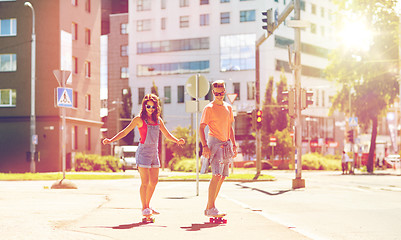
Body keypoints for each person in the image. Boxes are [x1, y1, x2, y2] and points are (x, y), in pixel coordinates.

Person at [103, 94, 185, 217]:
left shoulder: (158, 120)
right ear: (144, 106)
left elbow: (167, 135)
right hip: (143, 153)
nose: (151, 109)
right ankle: (144, 207)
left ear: (156, 107)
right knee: (145, 182)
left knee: (154, 181)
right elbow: (125, 131)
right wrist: (111, 140)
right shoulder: (139, 119)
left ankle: (148, 205)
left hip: (154, 153)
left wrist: (177, 140)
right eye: (148, 106)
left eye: (153, 106)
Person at [200, 80, 237, 217]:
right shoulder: (209, 108)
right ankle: (211, 207)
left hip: (226, 144)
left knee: (222, 176)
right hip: (214, 143)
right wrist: (204, 146)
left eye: (221, 93)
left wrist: (233, 144)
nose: (219, 95)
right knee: (215, 175)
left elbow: (230, 127)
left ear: (225, 92)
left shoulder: (228, 108)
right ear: (213, 93)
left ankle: (210, 207)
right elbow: (201, 128)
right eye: (216, 93)